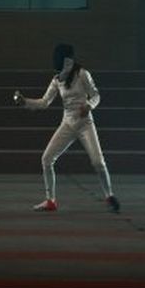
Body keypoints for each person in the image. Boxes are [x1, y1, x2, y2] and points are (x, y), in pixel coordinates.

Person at [14, 43, 120, 213]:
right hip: (68, 124)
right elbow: (44, 102)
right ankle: (50, 201)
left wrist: (89, 106)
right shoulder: (57, 80)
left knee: (98, 162)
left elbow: (96, 95)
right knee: (47, 159)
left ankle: (110, 196)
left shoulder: (82, 74)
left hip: (85, 123)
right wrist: (25, 102)